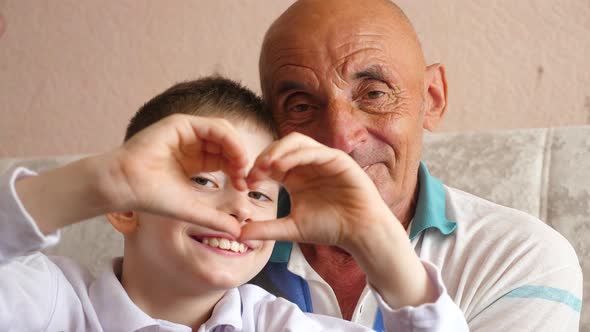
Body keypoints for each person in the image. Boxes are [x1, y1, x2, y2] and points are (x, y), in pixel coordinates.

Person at [0, 76, 467, 331]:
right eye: (203, 181)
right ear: (124, 207)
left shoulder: (280, 325)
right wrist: (101, 179)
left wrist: (377, 236)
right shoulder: (49, 301)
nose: (239, 208)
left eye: (261, 194)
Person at [248, 0, 583, 330]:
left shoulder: (519, 257)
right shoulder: (224, 243)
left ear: (433, 98)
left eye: (374, 94)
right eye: (302, 106)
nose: (341, 141)